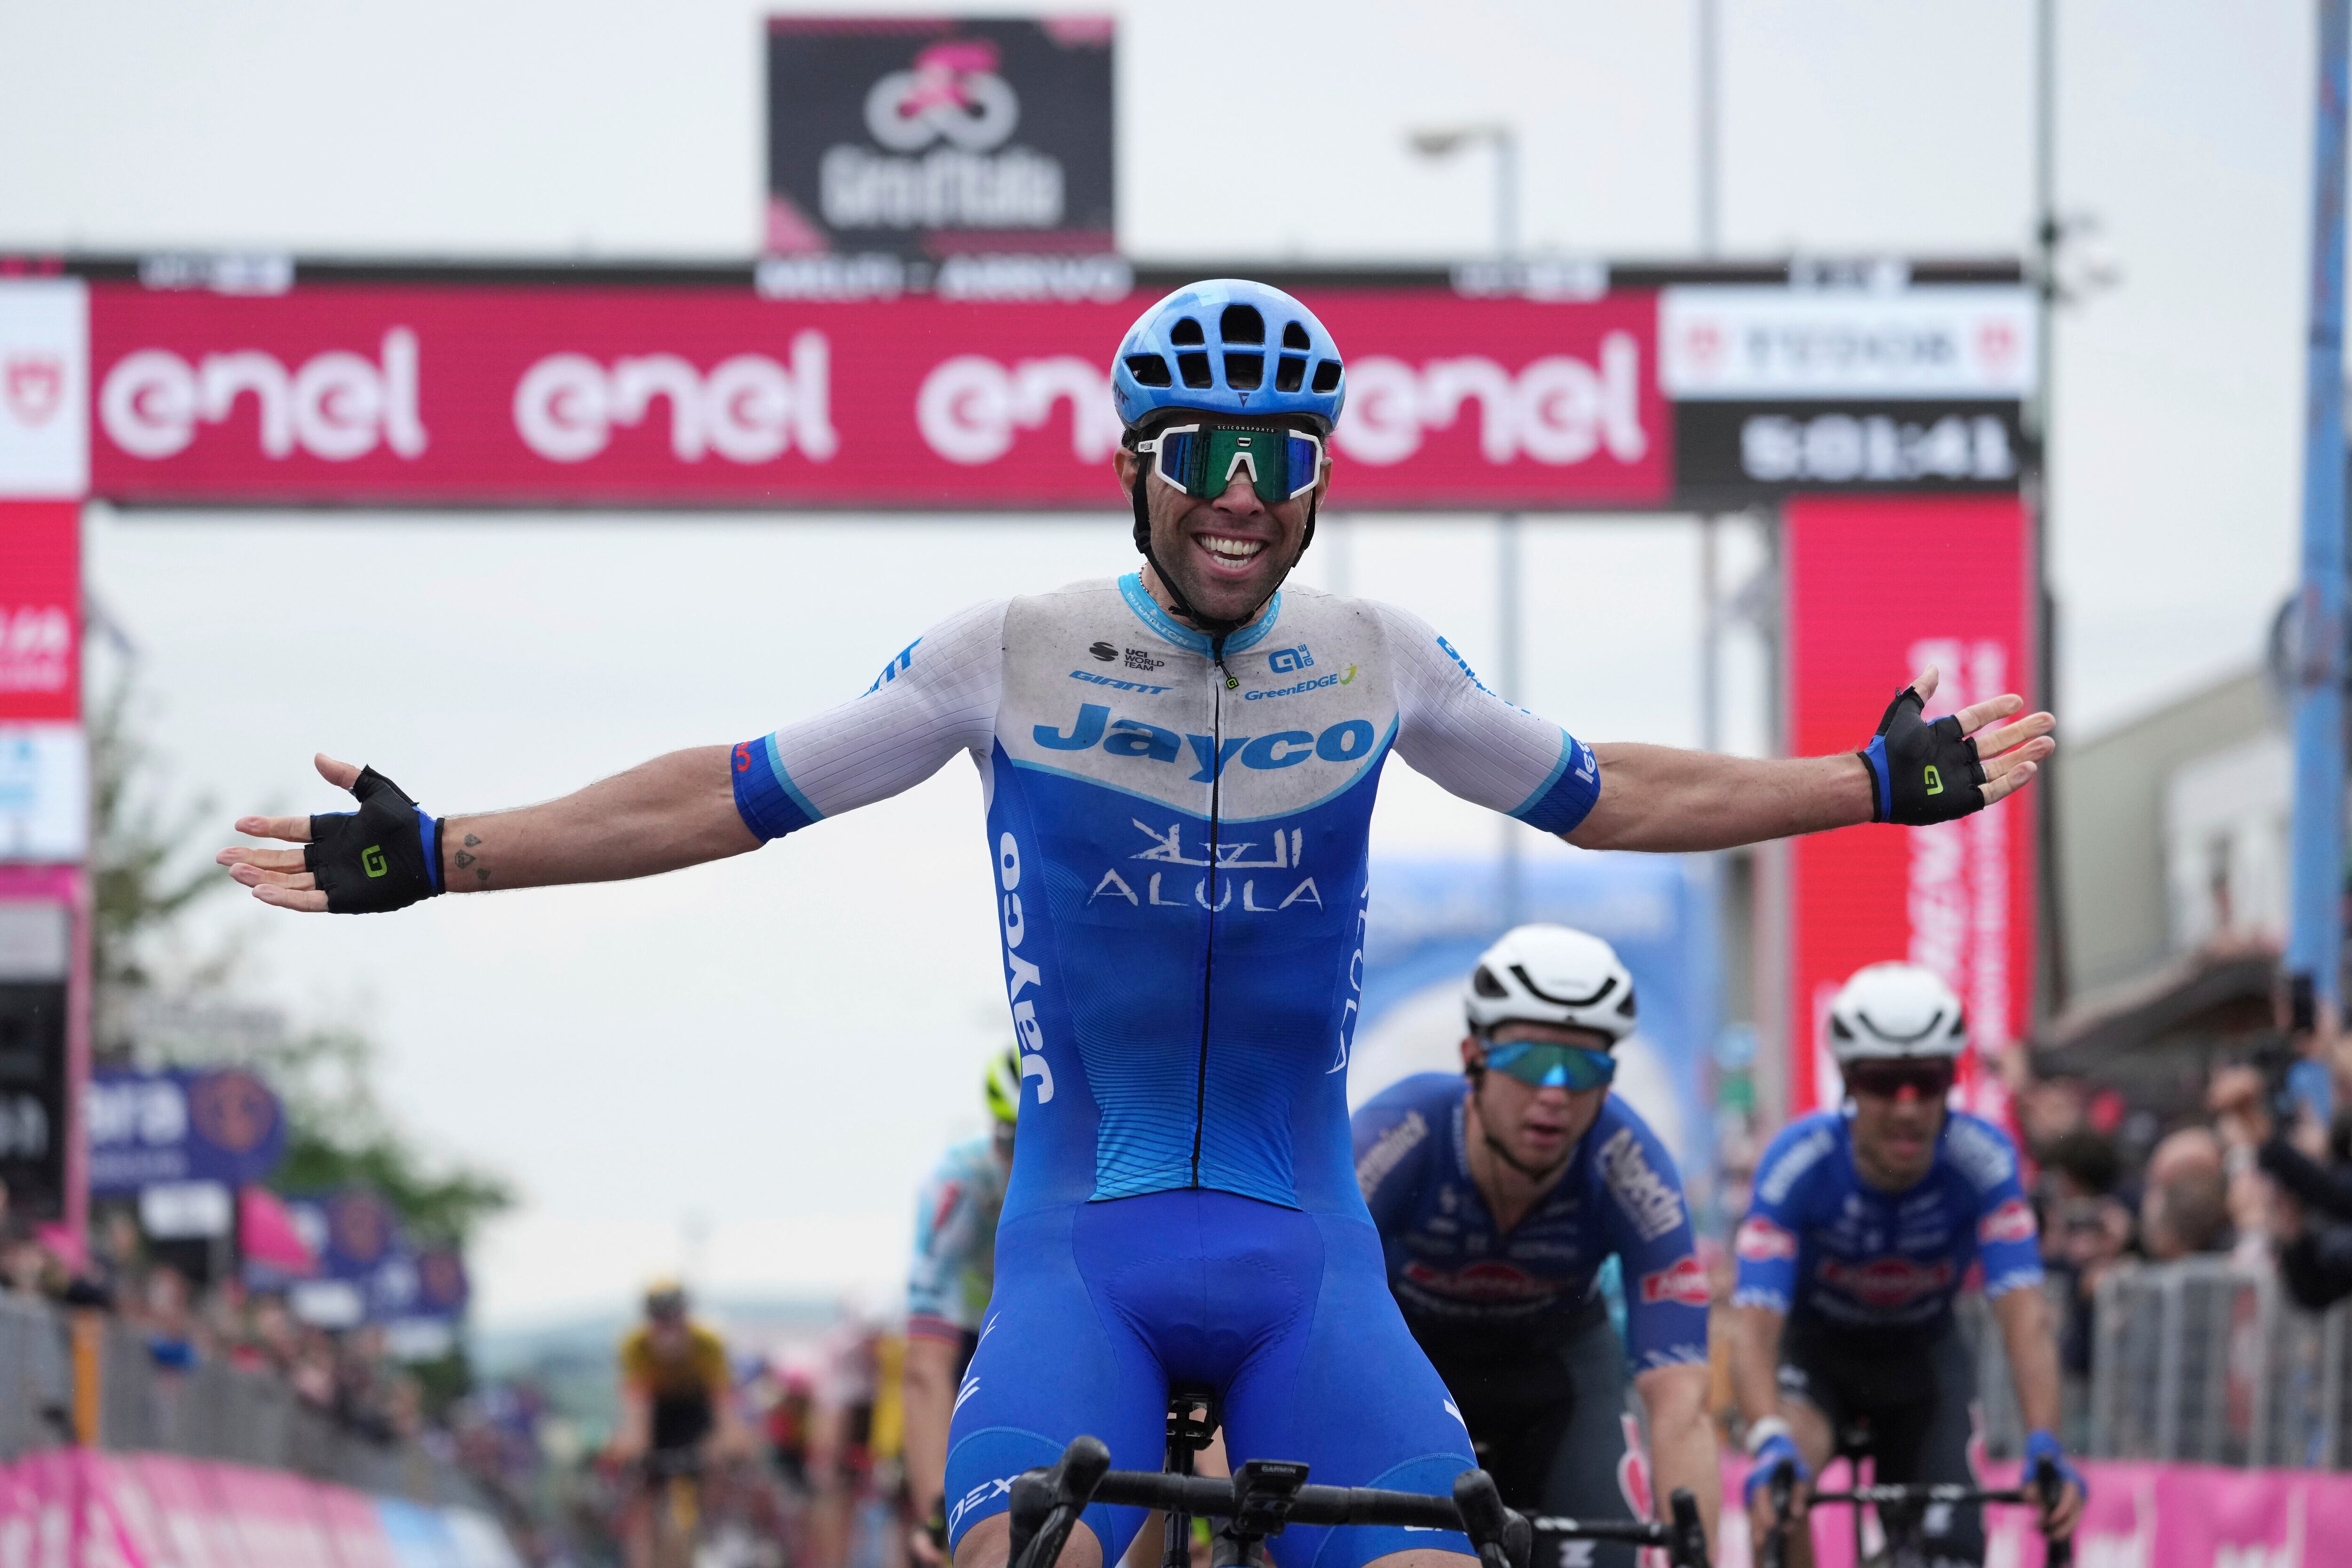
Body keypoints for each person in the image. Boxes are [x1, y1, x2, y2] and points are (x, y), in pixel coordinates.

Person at [218, 277, 2054, 1568]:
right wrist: (450, 848)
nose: (1242, 492)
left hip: (1304, 1264)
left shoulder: (1377, 656)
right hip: (1081, 1255)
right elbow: (727, 789)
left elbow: (1608, 794)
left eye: (1280, 454)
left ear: (1320, 470)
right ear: (1134, 461)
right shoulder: (1001, 651)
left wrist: (1865, 783)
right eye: (1202, 451)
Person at [1352, 925, 1716, 1564]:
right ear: (1473, 1057)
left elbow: (1681, 1399)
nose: (1554, 1089)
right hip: (1413, 1371)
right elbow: (1316, 1309)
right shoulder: (1398, 1132)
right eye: (1526, 1059)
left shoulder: (1632, 1164)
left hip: (1560, 1379)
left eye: (1583, 1065)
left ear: (1608, 1082)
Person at [1730, 963, 2085, 1568]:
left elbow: (2025, 1318)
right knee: (1788, 1483)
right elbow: (1754, 1325)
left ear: (1950, 1081)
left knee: (1949, 1556)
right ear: (1845, 1081)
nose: (1905, 1107)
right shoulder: (1797, 1162)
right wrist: (1766, 1439)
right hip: (1816, 1361)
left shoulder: (1983, 1160)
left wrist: (2044, 1442)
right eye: (1881, 1082)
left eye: (1925, 1082)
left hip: (1923, 1361)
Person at [904, 1050, 1021, 1564]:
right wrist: (937, 1507)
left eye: (1038, 1143)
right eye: (1009, 1142)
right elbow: (925, 1370)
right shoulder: (961, 1182)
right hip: (972, 1337)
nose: (1020, 1164)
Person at [610, 1280, 749, 1568]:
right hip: (658, 1414)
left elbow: (723, 1409)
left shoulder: (708, 1343)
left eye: (675, 1317)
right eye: (660, 1320)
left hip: (695, 1410)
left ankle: (715, 1533)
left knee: (719, 1469)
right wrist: (635, 1455)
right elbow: (638, 1413)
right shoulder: (635, 1346)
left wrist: (725, 1450)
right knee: (641, 1496)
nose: (668, 1328)